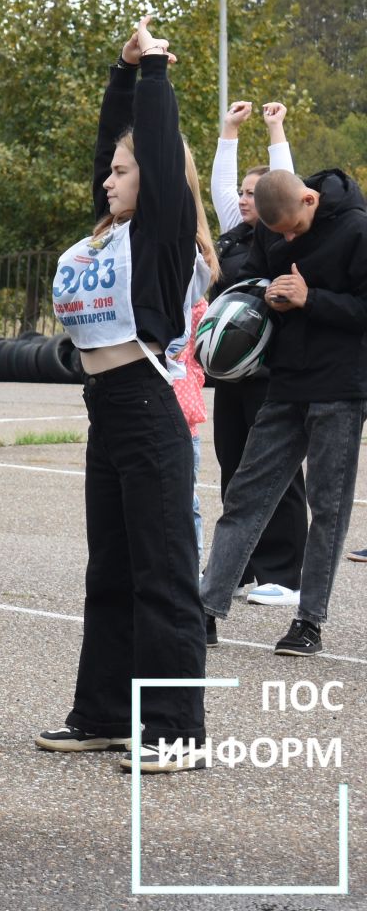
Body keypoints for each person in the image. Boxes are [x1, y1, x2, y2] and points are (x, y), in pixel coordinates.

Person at [34, 16, 210, 773]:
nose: (109, 179)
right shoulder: (105, 235)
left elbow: (157, 153)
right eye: (108, 172)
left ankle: (174, 729)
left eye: (124, 171)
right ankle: (104, 713)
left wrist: (156, 73)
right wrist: (120, 69)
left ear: (161, 179)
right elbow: (116, 145)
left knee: (161, 572)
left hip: (149, 404)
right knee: (108, 567)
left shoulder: (163, 233)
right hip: (105, 410)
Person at [198, 166, 367, 659]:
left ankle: (308, 623)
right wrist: (269, 295)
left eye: (292, 228)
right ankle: (206, 608)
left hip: (340, 388)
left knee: (328, 507)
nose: (287, 238)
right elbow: (254, 276)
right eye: (279, 234)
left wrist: (310, 298)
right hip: (284, 382)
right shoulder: (271, 231)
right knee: (246, 494)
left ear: (311, 199)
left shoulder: (357, 229)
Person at [206, 100, 306, 607]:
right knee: (232, 463)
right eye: (242, 192)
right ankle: (239, 563)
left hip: (273, 373)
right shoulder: (234, 232)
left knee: (277, 471)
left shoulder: (277, 231)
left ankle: (285, 574)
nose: (243, 199)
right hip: (232, 375)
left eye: (253, 193)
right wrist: (229, 130)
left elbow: (285, 184)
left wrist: (275, 128)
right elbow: (220, 188)